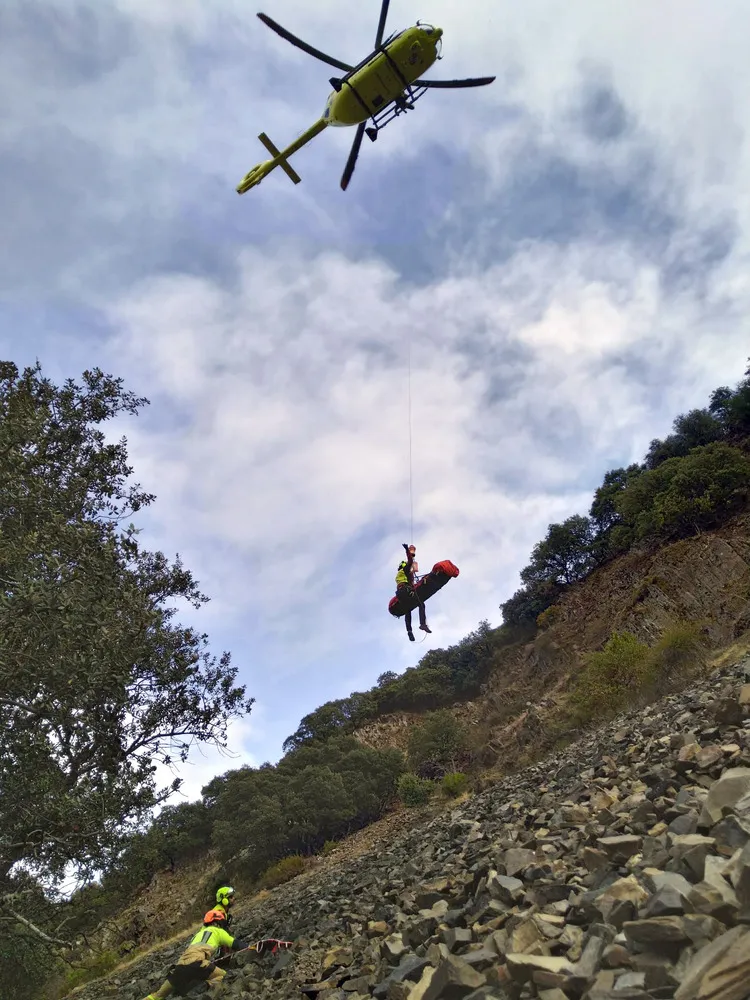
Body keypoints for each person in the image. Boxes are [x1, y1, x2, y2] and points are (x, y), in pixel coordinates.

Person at [141, 909, 250, 999]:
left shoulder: (197, 935)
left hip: (179, 968)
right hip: (198, 964)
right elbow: (236, 944)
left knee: (157, 996)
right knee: (224, 976)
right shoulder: (218, 931)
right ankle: (203, 987)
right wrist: (251, 947)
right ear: (218, 922)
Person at [395, 543, 431, 641]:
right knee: (421, 604)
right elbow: (410, 561)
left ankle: (409, 631)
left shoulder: (400, 575)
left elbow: (411, 584)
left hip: (400, 593)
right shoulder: (405, 570)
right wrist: (407, 549)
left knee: (408, 610)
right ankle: (422, 624)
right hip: (406, 591)